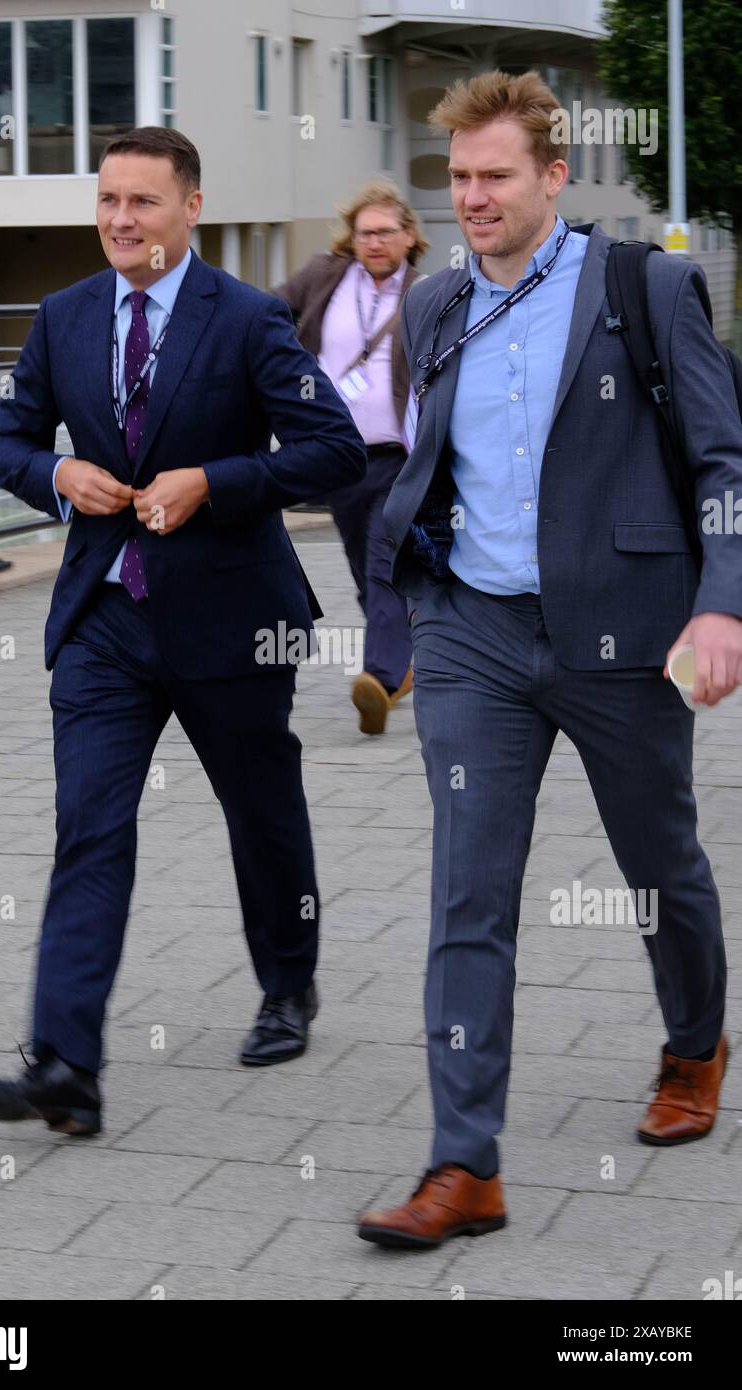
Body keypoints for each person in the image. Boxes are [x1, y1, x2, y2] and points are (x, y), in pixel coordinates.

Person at [357, 70, 742, 1248]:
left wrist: (719, 605)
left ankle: (693, 1043)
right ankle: (461, 1165)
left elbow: (723, 468)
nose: (470, 197)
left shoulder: (647, 286)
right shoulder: (429, 306)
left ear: (552, 177)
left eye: (493, 177)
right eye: (457, 178)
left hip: (625, 635)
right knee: (466, 893)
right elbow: (432, 463)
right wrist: (412, 598)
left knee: (656, 859)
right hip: (474, 634)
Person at [0, 126, 365, 1137]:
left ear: (189, 207)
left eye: (142, 201)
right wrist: (54, 475)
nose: (120, 220)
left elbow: (333, 449)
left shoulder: (251, 319)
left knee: (259, 812)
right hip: (105, 617)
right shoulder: (63, 317)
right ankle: (66, 1065)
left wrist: (213, 483)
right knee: (89, 828)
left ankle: (286, 983)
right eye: (107, 201)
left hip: (233, 618)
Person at [273, 181, 427, 735]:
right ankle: (403, 661)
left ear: (409, 236)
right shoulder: (324, 277)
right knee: (364, 570)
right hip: (335, 454)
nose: (375, 241)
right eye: (366, 232)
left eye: (387, 231)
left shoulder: (427, 292)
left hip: (397, 456)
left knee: (384, 563)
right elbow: (268, 311)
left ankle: (380, 679)